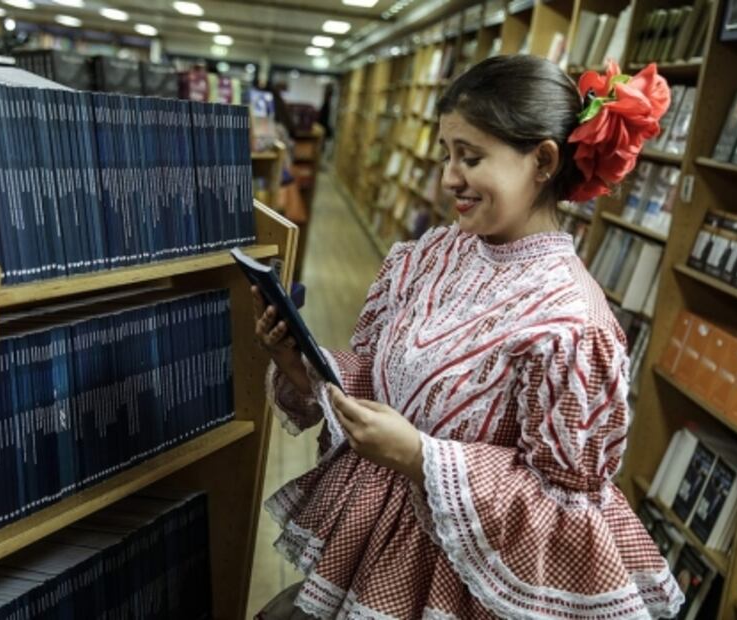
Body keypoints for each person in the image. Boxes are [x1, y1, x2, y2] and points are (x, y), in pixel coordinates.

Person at [251, 55, 684, 619]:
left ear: (544, 161)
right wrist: (298, 362)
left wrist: (420, 457)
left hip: (462, 579)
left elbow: (563, 507)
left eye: (471, 157)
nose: (449, 177)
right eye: (446, 154)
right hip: (373, 540)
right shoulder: (434, 252)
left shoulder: (573, 324)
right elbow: (381, 380)